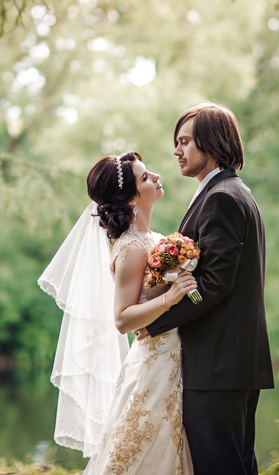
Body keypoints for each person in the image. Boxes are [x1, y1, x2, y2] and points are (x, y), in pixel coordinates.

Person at [39, 151, 198, 475]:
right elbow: (123, 318)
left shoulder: (153, 240)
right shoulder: (130, 248)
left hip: (173, 359)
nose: (155, 176)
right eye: (144, 177)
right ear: (130, 200)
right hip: (153, 364)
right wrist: (171, 297)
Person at [143, 102, 274, 475]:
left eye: (185, 141)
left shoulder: (222, 197)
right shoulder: (229, 191)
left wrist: (158, 318)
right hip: (230, 363)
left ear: (211, 142)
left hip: (219, 364)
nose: (176, 150)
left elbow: (212, 286)